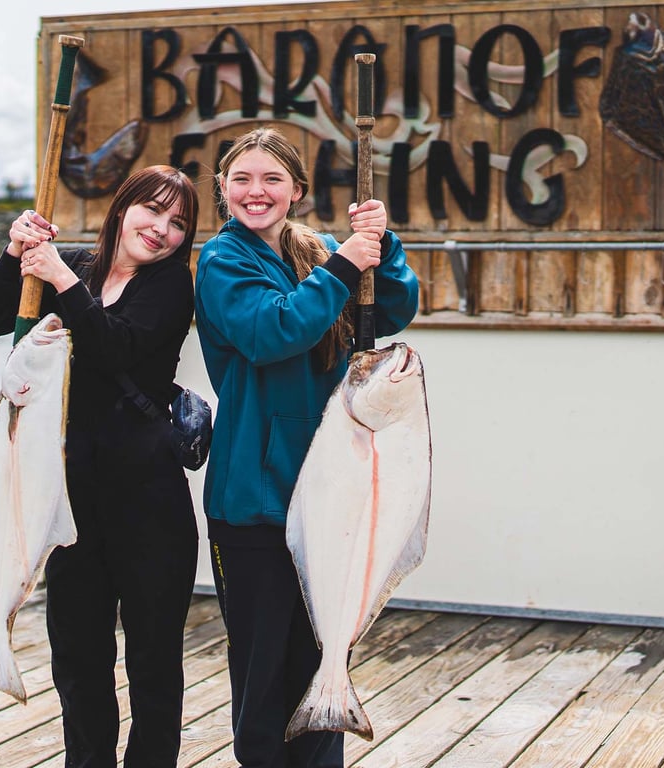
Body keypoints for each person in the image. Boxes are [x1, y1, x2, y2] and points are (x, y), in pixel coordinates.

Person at [193, 127, 419, 768]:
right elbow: (271, 332)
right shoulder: (221, 261)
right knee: (265, 676)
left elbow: (392, 310)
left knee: (325, 662)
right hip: (255, 504)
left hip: (329, 496)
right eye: (241, 179)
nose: (255, 191)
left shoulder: (316, 252)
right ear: (223, 190)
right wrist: (347, 262)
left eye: (271, 179)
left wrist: (382, 243)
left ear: (296, 189)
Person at [0, 165, 201, 768]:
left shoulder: (172, 286)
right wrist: (14, 250)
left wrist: (60, 277)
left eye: (178, 223)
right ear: (122, 207)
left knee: (153, 661)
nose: (161, 230)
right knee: (77, 659)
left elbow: (116, 345)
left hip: (150, 504)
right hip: (67, 502)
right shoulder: (72, 264)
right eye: (152, 210)